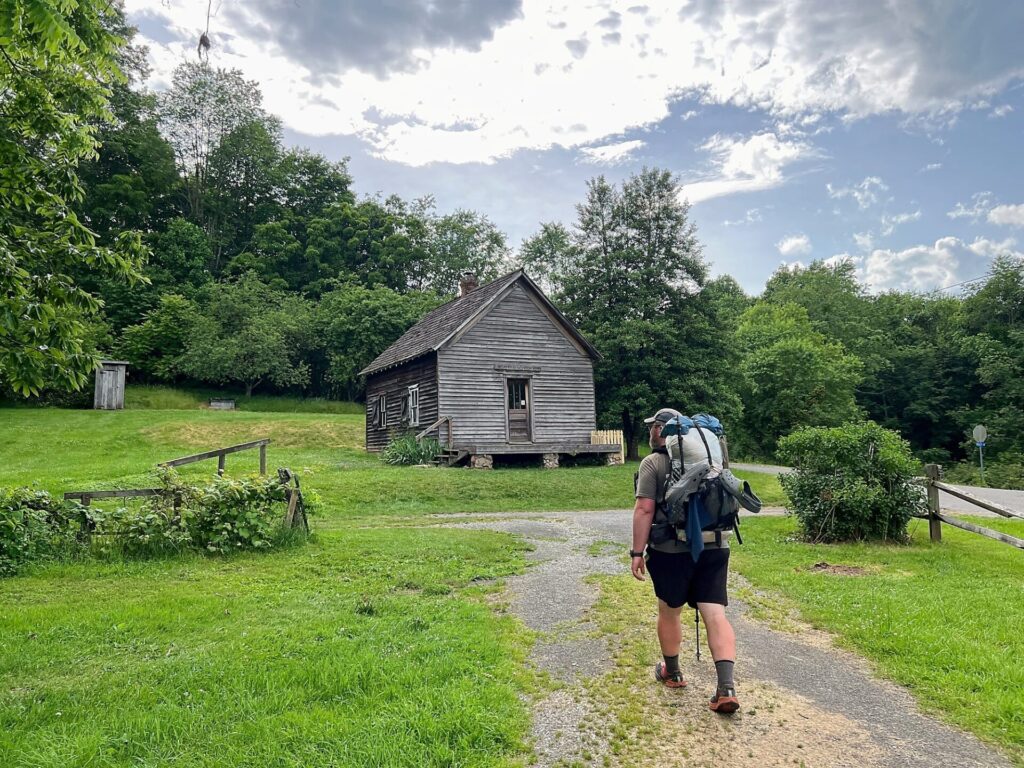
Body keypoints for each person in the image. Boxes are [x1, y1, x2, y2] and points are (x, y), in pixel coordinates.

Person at [629, 407, 740, 714]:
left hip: (670, 550)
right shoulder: (714, 460)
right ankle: (726, 687)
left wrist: (637, 553)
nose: (652, 431)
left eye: (654, 427)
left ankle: (673, 672)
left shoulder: (653, 462)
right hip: (716, 546)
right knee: (715, 613)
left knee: (669, 610)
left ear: (661, 431)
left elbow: (644, 510)